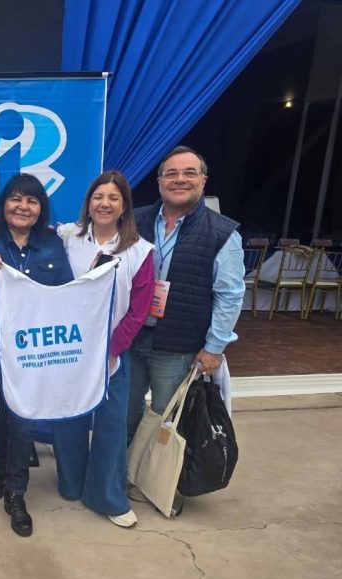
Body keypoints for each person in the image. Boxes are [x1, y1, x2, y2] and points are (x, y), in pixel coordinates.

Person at [128, 146, 245, 507]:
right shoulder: (135, 221)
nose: (180, 179)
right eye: (171, 173)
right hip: (130, 338)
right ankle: (122, 473)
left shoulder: (222, 232)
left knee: (167, 417)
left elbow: (229, 295)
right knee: (125, 412)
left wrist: (214, 348)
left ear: (203, 181)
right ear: (159, 181)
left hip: (178, 344)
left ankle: (156, 482)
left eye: (189, 173)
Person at [50, 171, 155, 528]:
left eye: (113, 198)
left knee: (111, 425)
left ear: (125, 206)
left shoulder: (139, 251)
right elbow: (28, 235)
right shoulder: (69, 237)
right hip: (70, 350)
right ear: (89, 202)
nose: (104, 204)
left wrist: (113, 347)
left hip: (112, 354)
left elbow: (139, 308)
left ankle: (107, 495)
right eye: (98, 196)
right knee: (69, 419)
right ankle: (71, 483)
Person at [0, 172, 74, 537]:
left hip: (33, 352)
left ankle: (16, 492)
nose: (23, 206)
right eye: (16, 199)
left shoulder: (52, 243)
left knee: (23, 422)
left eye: (31, 201)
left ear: (41, 208)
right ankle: (0, 471)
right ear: (3, 204)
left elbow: (66, 293)